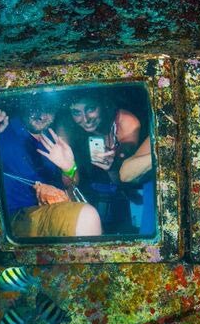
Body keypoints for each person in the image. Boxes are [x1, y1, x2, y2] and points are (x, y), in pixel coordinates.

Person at [0, 99, 102, 238]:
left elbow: (71, 187)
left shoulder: (51, 141)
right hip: (12, 219)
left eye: (49, 109)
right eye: (36, 107)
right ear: (24, 103)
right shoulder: (3, 127)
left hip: (47, 216)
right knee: (87, 216)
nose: (41, 115)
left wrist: (68, 168)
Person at [59, 93, 153, 234]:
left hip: (123, 193)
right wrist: (69, 168)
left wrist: (112, 167)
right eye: (76, 112)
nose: (86, 119)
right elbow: (70, 183)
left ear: (103, 104)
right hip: (84, 194)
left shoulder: (125, 122)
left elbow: (125, 178)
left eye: (90, 109)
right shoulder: (67, 125)